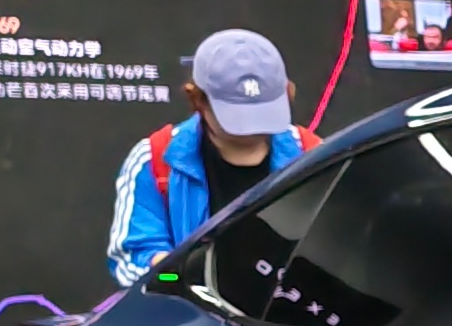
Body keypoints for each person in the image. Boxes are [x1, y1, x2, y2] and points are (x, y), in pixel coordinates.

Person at [106, 27, 316, 287]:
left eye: (262, 112)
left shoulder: (313, 155)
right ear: (198, 100)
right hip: (192, 309)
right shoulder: (156, 160)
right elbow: (133, 263)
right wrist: (179, 276)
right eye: (238, 115)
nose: (251, 127)